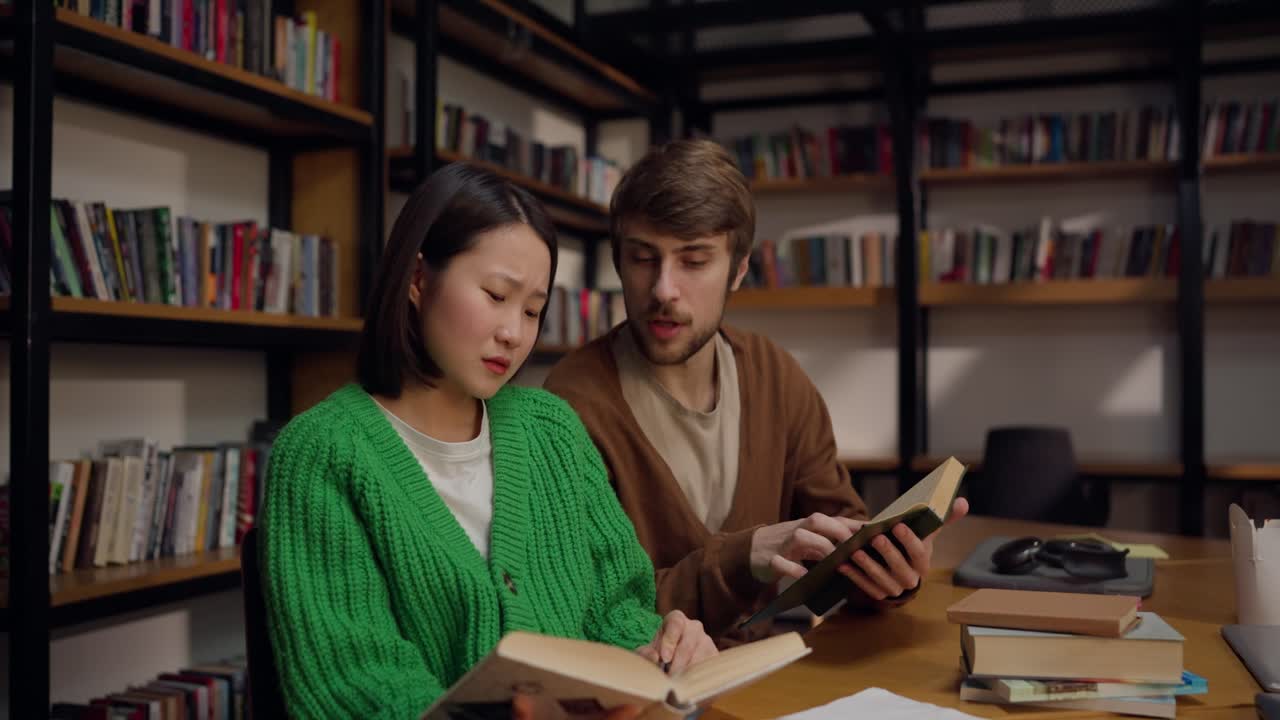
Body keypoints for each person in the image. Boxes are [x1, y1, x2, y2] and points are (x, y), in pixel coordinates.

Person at [257, 163, 716, 719]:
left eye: (532, 310)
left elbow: (616, 608)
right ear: (419, 279)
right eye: (496, 295)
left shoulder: (553, 430)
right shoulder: (322, 454)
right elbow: (356, 684)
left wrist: (657, 651)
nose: (514, 332)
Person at [544, 139, 969, 644]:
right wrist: (744, 556)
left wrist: (891, 571)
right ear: (617, 261)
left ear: (739, 270)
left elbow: (840, 537)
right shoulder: (568, 405)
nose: (663, 289)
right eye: (642, 258)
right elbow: (588, 609)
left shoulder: (775, 376)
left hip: (768, 674)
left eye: (694, 261)